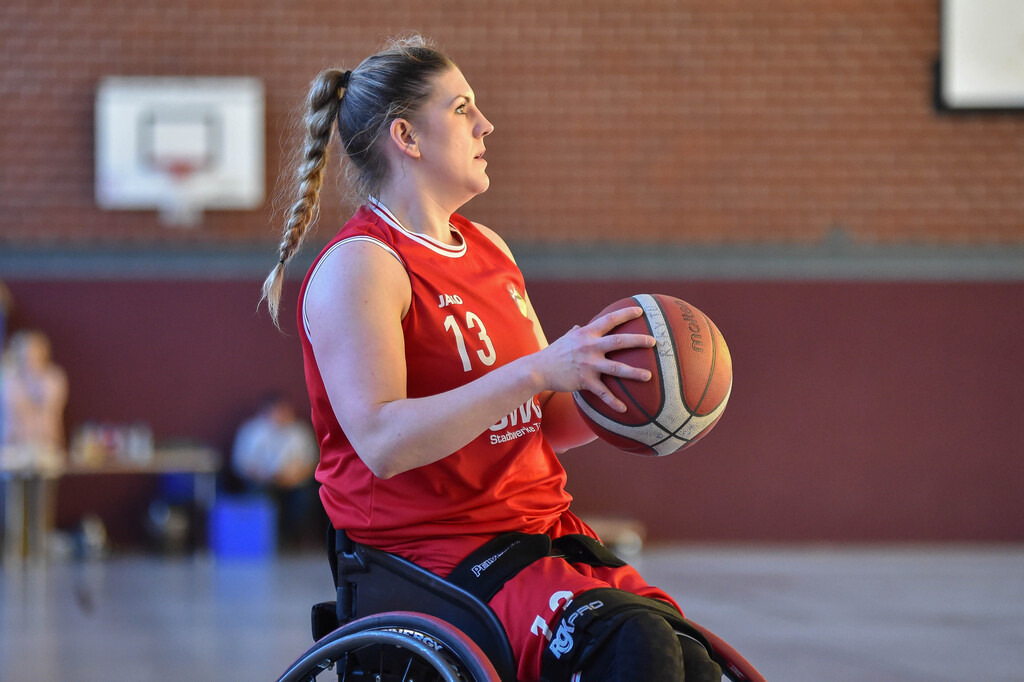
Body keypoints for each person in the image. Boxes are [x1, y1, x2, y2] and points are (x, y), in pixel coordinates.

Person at [261, 35, 720, 681]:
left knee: (689, 660)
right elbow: (383, 442)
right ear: (407, 137)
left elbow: (541, 420)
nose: (486, 124)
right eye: (462, 108)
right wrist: (537, 368)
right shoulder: (362, 264)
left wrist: (620, 390)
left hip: (542, 531)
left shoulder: (490, 250)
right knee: (634, 648)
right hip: (431, 555)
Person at [230, 394, 319, 546]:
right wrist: (265, 476)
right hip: (262, 483)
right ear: (266, 411)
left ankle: (294, 540)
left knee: (306, 498)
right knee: (261, 496)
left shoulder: (299, 432)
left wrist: (294, 477)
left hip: (295, 483)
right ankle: (268, 540)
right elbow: (241, 464)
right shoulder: (252, 432)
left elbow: (312, 462)